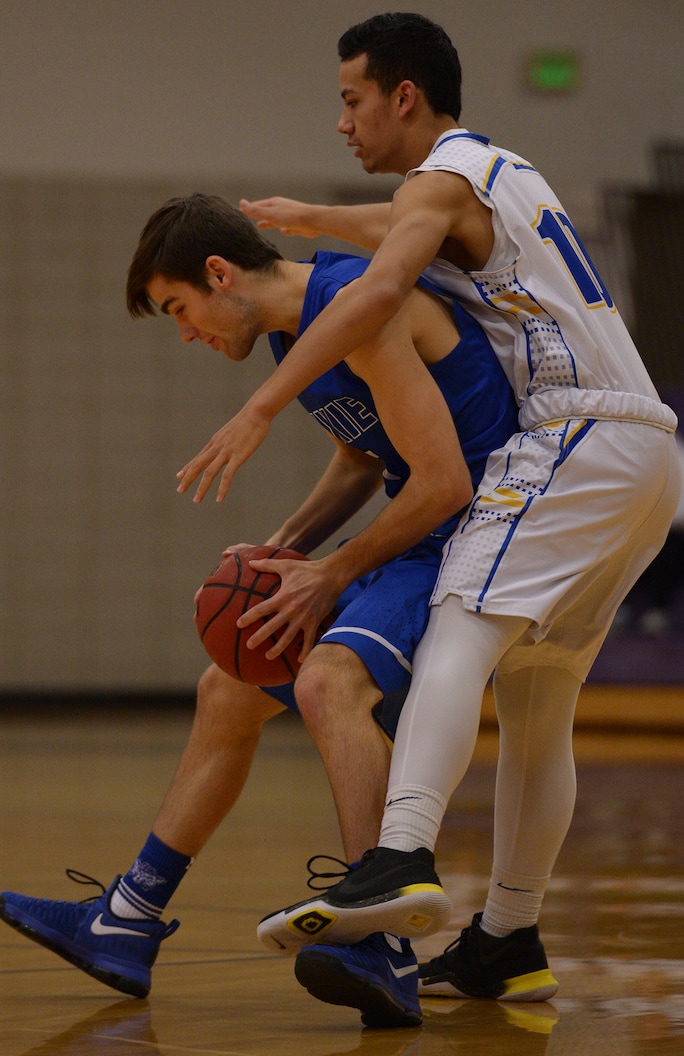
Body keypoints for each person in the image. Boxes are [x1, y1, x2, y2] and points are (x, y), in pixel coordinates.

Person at [169, 13, 679, 1007]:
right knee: (538, 705)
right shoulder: (495, 173)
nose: (343, 121)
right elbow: (391, 230)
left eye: (352, 99)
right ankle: (506, 937)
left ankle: (396, 855)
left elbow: (377, 285)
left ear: (404, 96)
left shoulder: (438, 179)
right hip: (643, 451)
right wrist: (311, 218)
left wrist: (263, 407)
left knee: (460, 615)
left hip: (572, 430)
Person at [0, 192, 520, 1029]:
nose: (186, 333)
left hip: (477, 535)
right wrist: (285, 545)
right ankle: (127, 919)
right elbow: (362, 456)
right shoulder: (295, 330)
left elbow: (445, 484)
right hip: (422, 533)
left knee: (328, 684)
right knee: (228, 686)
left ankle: (382, 942)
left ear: (219, 274)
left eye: (180, 310)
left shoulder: (361, 305)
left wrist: (332, 570)